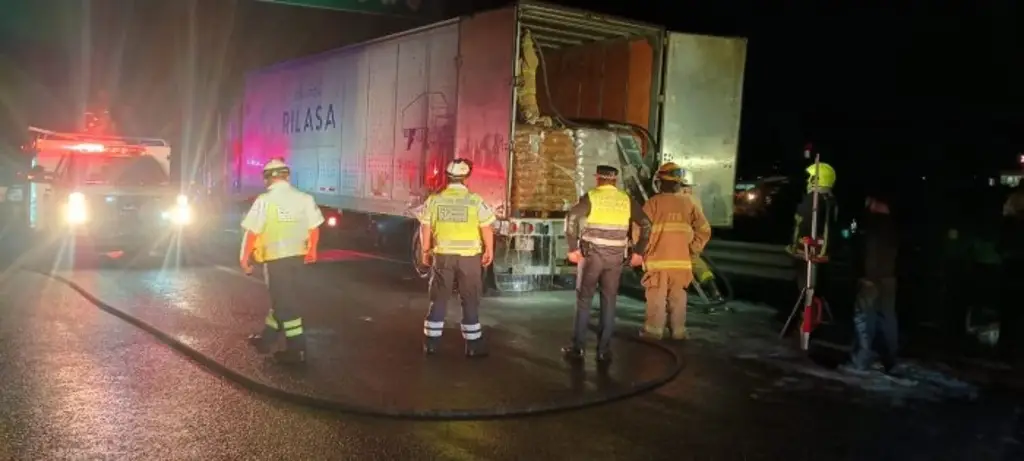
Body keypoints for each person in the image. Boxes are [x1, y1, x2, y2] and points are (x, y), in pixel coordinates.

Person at [562, 165, 652, 363]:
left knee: (584, 300)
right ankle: (604, 351)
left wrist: (572, 247)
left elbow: (572, 217)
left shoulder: (592, 196)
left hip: (592, 256)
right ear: (614, 180)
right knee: (609, 301)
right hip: (616, 258)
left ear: (598, 179)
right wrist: (639, 252)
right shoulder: (625, 199)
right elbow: (646, 224)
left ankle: (578, 349)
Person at [240, 158, 324, 365]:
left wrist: (244, 257)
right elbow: (314, 227)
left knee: (287, 307)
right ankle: (266, 339)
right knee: (283, 300)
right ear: (286, 176)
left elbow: (252, 232)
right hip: (299, 258)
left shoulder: (264, 201)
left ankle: (297, 351)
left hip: (276, 261)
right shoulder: (304, 198)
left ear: (268, 178)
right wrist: (312, 250)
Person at [417, 158, 495, 357]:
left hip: (443, 257)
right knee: (469, 298)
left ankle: (431, 344)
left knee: (439, 298)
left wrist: (425, 251)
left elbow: (425, 226)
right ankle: (473, 346)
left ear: (448, 177)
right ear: (466, 178)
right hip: (469, 259)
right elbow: (486, 227)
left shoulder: (435, 200)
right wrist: (489, 250)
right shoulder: (474, 200)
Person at [639, 163, 711, 340]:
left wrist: (640, 252)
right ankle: (678, 332)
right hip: (681, 262)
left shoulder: (652, 204)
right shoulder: (688, 204)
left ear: (661, 182)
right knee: (678, 298)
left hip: (657, 261)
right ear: (678, 183)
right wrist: (692, 249)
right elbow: (704, 229)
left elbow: (639, 230)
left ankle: (653, 332)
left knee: (656, 297)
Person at [842, 194, 900, 374]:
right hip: (889, 278)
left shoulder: (869, 224)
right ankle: (890, 360)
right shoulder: (893, 226)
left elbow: (856, 243)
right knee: (888, 320)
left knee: (864, 319)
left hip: (870, 278)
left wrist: (864, 275)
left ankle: (861, 360)